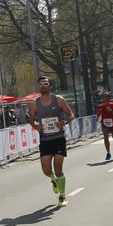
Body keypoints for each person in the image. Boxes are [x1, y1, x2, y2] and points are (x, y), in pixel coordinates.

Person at [28, 76, 75, 206]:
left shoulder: (59, 100)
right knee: (46, 170)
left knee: (58, 168)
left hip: (58, 138)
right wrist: (35, 126)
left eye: (45, 83)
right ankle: (53, 179)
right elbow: (31, 120)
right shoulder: (34, 104)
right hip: (45, 140)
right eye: (40, 84)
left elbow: (71, 115)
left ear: (50, 86)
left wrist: (63, 122)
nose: (43, 85)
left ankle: (62, 196)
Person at [96, 91, 113, 160]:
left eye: (106, 97)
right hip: (104, 123)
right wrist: (97, 117)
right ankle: (108, 152)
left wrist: (111, 111)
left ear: (109, 98)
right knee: (106, 137)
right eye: (104, 96)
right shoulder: (100, 106)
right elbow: (98, 113)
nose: (105, 98)